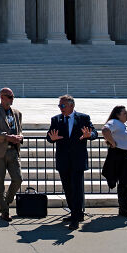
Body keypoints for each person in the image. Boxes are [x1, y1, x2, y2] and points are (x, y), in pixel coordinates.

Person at [46, 95, 97, 229]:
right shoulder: (56, 119)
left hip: (78, 159)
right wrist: (52, 138)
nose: (61, 108)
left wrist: (89, 135)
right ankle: (75, 212)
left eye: (63, 105)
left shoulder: (83, 118)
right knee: (68, 189)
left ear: (71, 106)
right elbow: (49, 136)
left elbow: (95, 132)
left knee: (77, 188)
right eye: (59, 106)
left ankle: (76, 217)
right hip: (63, 160)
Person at [0, 87, 23, 221]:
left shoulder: (17, 113)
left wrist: (19, 137)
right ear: (2, 97)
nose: (12, 99)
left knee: (18, 179)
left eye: (13, 97)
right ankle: (4, 211)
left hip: (13, 151)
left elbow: (20, 129)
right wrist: (7, 137)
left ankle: (6, 201)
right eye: (10, 97)